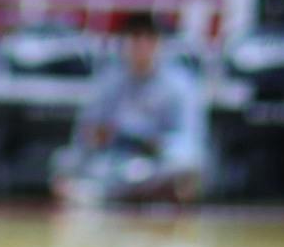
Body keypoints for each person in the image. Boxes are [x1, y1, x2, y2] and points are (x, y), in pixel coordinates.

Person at [52, 13, 207, 204]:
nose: (141, 45)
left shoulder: (180, 86)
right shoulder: (108, 81)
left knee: (184, 168)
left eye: (148, 37)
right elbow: (84, 137)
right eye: (134, 37)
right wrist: (97, 137)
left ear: (159, 43)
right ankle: (113, 193)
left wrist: (155, 144)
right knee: (65, 161)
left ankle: (103, 195)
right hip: (113, 161)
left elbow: (189, 142)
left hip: (157, 163)